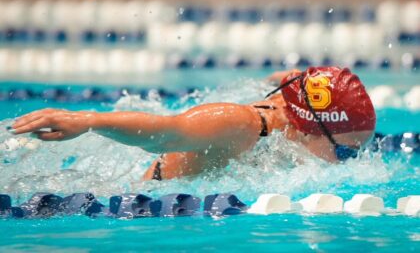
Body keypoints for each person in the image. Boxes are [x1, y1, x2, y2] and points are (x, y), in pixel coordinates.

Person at [8, 66, 376, 181]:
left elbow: (296, 81)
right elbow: (164, 132)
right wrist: (88, 120)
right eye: (345, 151)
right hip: (145, 202)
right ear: (308, 128)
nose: (350, 161)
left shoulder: (296, 109)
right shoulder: (242, 125)